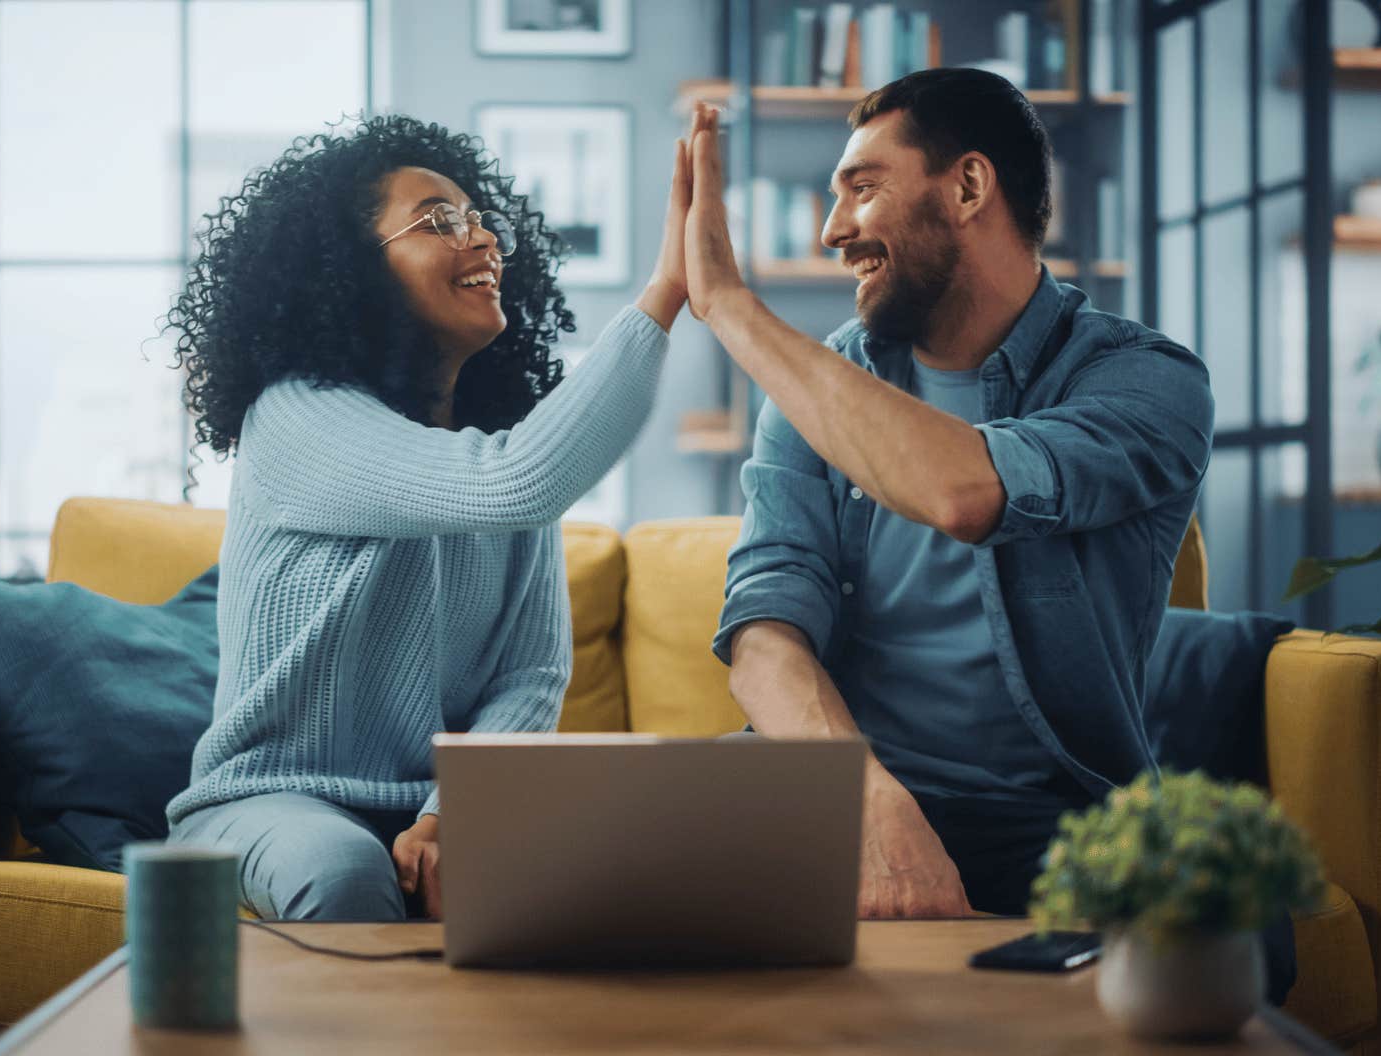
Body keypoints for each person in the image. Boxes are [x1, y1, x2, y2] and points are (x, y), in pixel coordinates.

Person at [685, 70, 1219, 924]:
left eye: (863, 188)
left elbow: (966, 491)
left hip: (1051, 818)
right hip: (837, 787)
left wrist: (728, 306)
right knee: (620, 889)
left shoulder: (1145, 381)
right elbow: (764, 635)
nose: (833, 230)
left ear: (968, 186)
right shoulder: (821, 388)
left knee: (1233, 939)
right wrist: (869, 802)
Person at [161, 113, 695, 921]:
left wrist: (454, 812)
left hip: (434, 805)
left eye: (482, 221)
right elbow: (513, 483)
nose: (482, 241)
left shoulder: (494, 452)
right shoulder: (297, 418)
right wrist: (666, 294)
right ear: (349, 270)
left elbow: (529, 677)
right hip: (268, 801)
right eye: (441, 221)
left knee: (659, 848)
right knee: (341, 867)